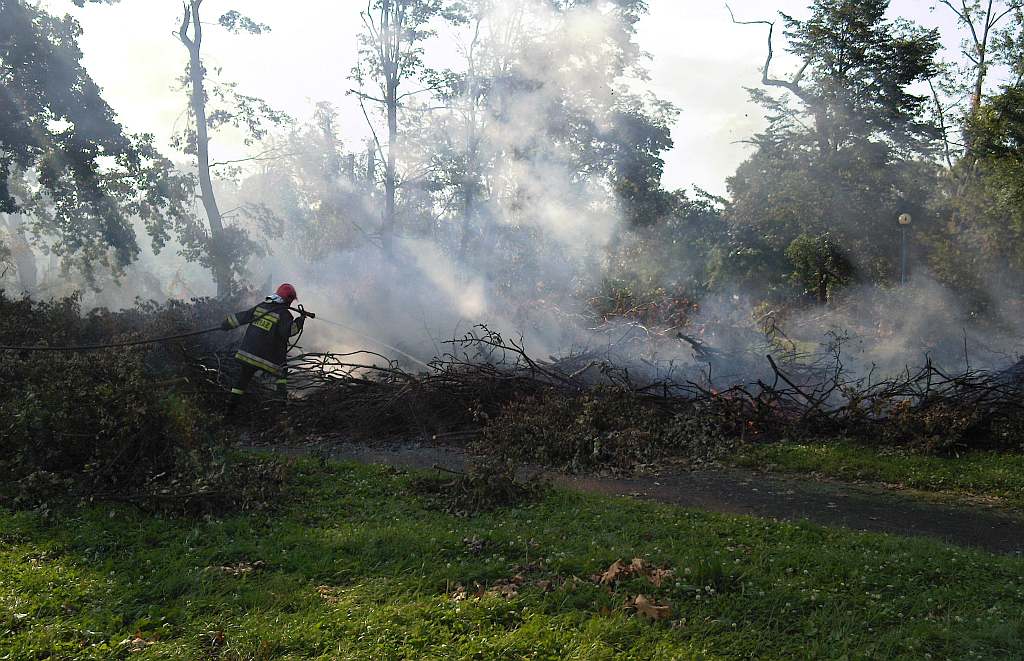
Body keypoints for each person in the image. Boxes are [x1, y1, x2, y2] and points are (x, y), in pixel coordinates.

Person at [221, 283, 305, 411]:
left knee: (242, 380)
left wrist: (227, 323)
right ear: (288, 300)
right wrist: (300, 321)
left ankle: (230, 407)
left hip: (248, 354)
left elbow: (244, 316)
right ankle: (281, 406)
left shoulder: (262, 306)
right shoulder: (284, 314)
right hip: (269, 359)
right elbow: (288, 331)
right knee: (282, 373)